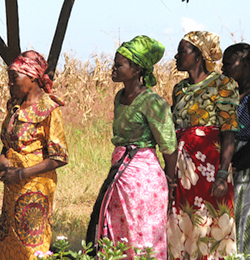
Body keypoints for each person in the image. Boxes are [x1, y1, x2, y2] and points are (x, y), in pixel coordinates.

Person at [86, 35, 178, 260]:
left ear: (137, 70)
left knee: (141, 233)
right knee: (117, 233)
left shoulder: (153, 102)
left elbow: (168, 146)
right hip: (120, 175)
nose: (113, 69)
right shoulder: (120, 97)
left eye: (119, 65)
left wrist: (170, 179)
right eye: (114, 64)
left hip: (143, 180)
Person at [167, 31, 239, 259]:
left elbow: (228, 132)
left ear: (199, 55)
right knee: (184, 226)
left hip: (210, 169)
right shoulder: (179, 89)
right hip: (183, 169)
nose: (176, 57)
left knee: (212, 227)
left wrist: (221, 173)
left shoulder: (223, 84)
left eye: (182, 51)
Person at [0, 50, 68, 260]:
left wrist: (21, 173)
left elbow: (60, 156)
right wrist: (2, 158)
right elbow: (6, 144)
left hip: (35, 190)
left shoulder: (49, 109)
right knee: (10, 244)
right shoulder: (14, 106)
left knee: (32, 247)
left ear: (32, 76)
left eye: (13, 79)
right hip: (12, 190)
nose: (10, 84)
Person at [222, 43, 250, 256]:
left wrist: (236, 162)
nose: (223, 69)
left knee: (243, 216)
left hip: (244, 161)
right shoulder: (229, 94)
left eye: (229, 64)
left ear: (247, 65)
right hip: (230, 160)